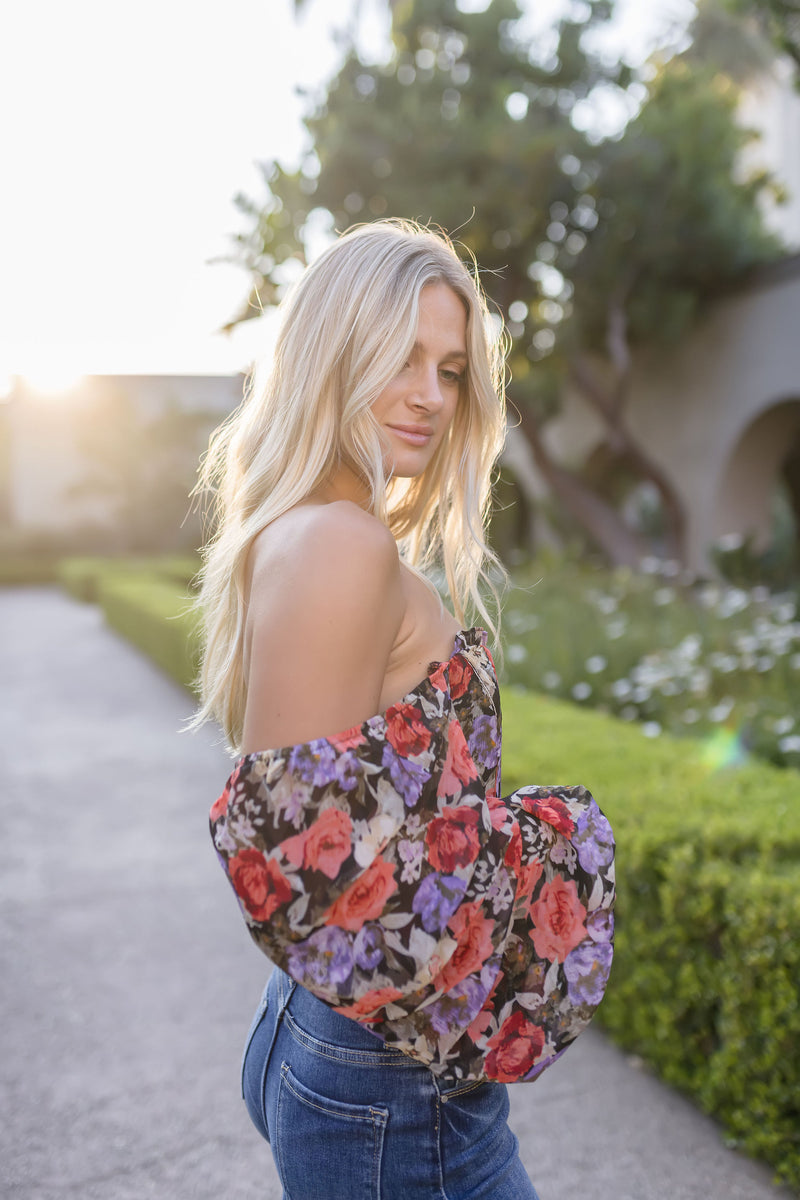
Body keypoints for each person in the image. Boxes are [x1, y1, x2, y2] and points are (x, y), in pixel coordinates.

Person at [194, 220, 615, 1200]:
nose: (431, 394)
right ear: (333, 353)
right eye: (401, 358)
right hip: (390, 1081)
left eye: (451, 370)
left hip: (337, 1045)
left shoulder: (310, 529)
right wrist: (534, 852)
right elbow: (302, 871)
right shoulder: (343, 544)